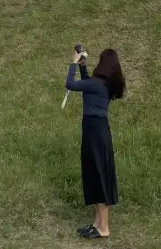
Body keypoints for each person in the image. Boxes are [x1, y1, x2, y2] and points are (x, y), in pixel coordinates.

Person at [65, 47, 126, 239]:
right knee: (94, 175)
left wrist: (73, 63)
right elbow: (87, 85)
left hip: (96, 134)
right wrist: (84, 68)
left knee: (100, 177)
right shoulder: (102, 85)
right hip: (96, 133)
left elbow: (70, 84)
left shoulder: (98, 85)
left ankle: (104, 228)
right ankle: (97, 224)